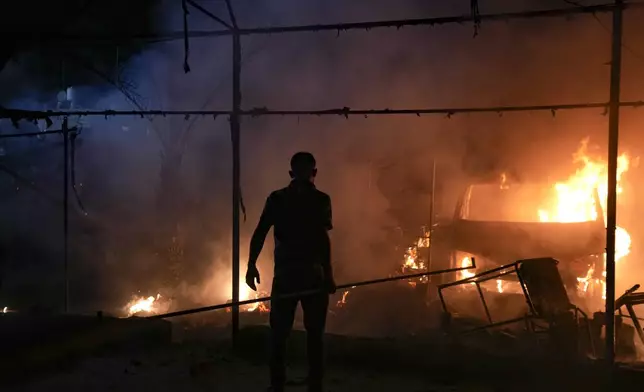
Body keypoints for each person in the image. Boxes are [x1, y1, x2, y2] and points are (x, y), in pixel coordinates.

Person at [245, 151, 336, 392]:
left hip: (285, 275)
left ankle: (277, 385)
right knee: (315, 334)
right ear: (314, 173)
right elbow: (322, 239)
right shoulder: (321, 200)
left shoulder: (277, 198)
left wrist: (251, 265)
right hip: (313, 276)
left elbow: (260, 231)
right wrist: (328, 275)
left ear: (290, 173)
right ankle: (315, 385)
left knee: (279, 334)